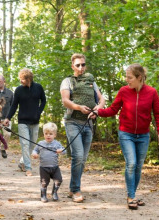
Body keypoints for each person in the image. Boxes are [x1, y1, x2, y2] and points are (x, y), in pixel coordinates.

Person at [89, 63, 159, 210]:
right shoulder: (124, 91)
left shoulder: (152, 92)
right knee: (131, 163)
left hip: (143, 135)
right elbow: (113, 109)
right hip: (126, 133)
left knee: (138, 166)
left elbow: (158, 113)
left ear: (139, 77)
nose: (127, 80)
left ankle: (133, 195)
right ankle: (131, 197)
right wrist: (98, 112)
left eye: (129, 77)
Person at [60, 53, 105, 203]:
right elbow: (66, 101)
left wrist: (98, 109)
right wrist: (78, 107)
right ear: (72, 66)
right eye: (78, 65)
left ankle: (73, 187)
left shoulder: (91, 80)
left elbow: (101, 98)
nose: (81, 68)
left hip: (88, 123)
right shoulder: (67, 81)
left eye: (83, 65)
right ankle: (76, 190)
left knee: (83, 159)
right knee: (78, 156)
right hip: (72, 122)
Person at [4, 68, 46, 176]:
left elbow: (44, 100)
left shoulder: (38, 87)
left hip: (35, 121)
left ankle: (22, 162)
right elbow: (14, 105)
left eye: (22, 79)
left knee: (32, 144)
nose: (20, 81)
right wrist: (8, 118)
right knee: (25, 144)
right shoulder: (18, 90)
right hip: (22, 121)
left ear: (28, 78)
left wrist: (39, 112)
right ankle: (28, 168)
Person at [31, 122, 65, 203]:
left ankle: (54, 192)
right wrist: (34, 154)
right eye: (46, 133)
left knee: (58, 180)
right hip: (44, 168)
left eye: (50, 134)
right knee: (44, 182)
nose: (48, 135)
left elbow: (64, 150)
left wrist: (61, 150)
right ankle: (43, 195)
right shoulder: (40, 143)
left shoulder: (57, 143)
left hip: (55, 167)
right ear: (43, 134)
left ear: (55, 135)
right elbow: (35, 150)